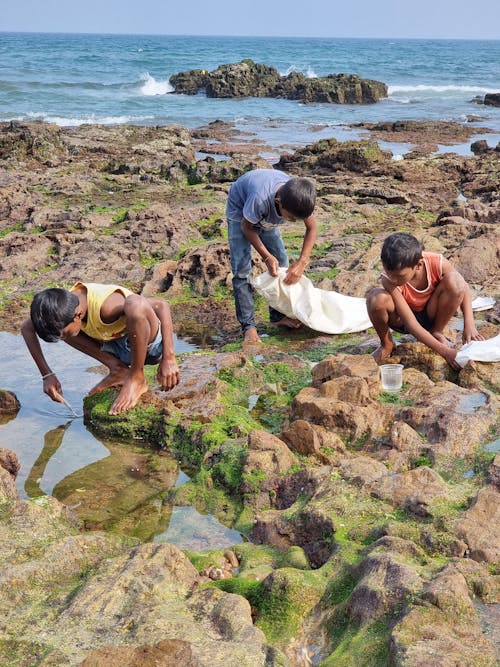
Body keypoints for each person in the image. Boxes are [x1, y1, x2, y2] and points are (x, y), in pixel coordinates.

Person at [21, 282, 180, 415]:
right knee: (65, 331)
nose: (63, 339)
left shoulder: (107, 306)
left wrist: (169, 357)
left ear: (78, 315)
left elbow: (161, 305)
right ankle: (118, 370)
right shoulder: (61, 309)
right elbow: (26, 327)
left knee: (135, 304)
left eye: (64, 335)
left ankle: (137, 377)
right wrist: (47, 375)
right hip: (113, 345)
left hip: (149, 347)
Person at [366, 232, 484, 370]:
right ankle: (387, 344)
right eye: (388, 272)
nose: (393, 279)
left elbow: (463, 287)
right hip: (403, 319)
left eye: (399, 276)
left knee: (455, 280)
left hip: (432, 314)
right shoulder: (389, 280)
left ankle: (436, 332)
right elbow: (411, 323)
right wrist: (446, 352)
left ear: (418, 265)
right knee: (376, 297)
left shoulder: (437, 263)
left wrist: (469, 325)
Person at [226, 168, 317, 344]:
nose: (293, 221)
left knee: (281, 263)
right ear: (279, 201)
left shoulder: (299, 198)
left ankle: (276, 317)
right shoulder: (260, 199)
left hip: (266, 217)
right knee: (242, 271)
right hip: (240, 211)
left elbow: (311, 228)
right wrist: (266, 257)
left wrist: (302, 261)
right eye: (291, 218)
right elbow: (247, 228)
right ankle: (248, 327)